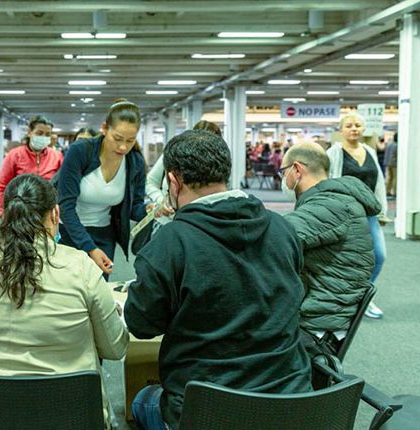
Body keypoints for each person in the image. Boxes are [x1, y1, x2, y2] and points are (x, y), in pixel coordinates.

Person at [125, 130, 312, 430]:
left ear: (173, 181)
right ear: (227, 172)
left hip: (205, 410)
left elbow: (141, 324)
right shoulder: (283, 229)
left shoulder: (169, 244)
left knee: (142, 401)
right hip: (289, 402)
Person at [0, 174, 128, 423]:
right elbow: (115, 348)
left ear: (4, 213)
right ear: (55, 214)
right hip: (68, 416)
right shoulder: (80, 266)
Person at [280, 143, 380, 347]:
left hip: (317, 324)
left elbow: (276, 237)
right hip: (324, 309)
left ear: (297, 169)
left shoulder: (330, 205)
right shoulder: (332, 200)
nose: (283, 179)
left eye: (283, 172)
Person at [56, 99, 149, 278]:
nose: (123, 147)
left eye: (130, 141)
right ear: (105, 128)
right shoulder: (81, 151)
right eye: (118, 138)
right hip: (69, 231)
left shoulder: (135, 162)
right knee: (67, 288)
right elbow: (65, 207)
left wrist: (149, 210)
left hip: (104, 234)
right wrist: (89, 248)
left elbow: (133, 208)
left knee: (97, 290)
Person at [327, 113, 388, 319]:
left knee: (379, 256)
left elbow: (379, 182)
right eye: (349, 125)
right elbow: (327, 181)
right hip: (344, 213)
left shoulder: (370, 151)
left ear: (364, 129)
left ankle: (363, 295)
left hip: (369, 213)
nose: (354, 128)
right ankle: (343, 299)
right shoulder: (334, 153)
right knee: (343, 260)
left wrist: (382, 211)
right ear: (341, 130)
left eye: (358, 125)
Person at [146, 120, 222, 217]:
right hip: (168, 220)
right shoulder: (174, 155)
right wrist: (161, 200)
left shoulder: (219, 167)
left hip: (201, 222)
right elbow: (150, 182)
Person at [0, 115, 63, 212]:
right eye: (39, 133)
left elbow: (62, 185)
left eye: (47, 134)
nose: (44, 137)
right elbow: (3, 185)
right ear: (29, 132)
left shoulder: (57, 156)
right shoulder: (14, 155)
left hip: (47, 210)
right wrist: (3, 211)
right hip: (20, 210)